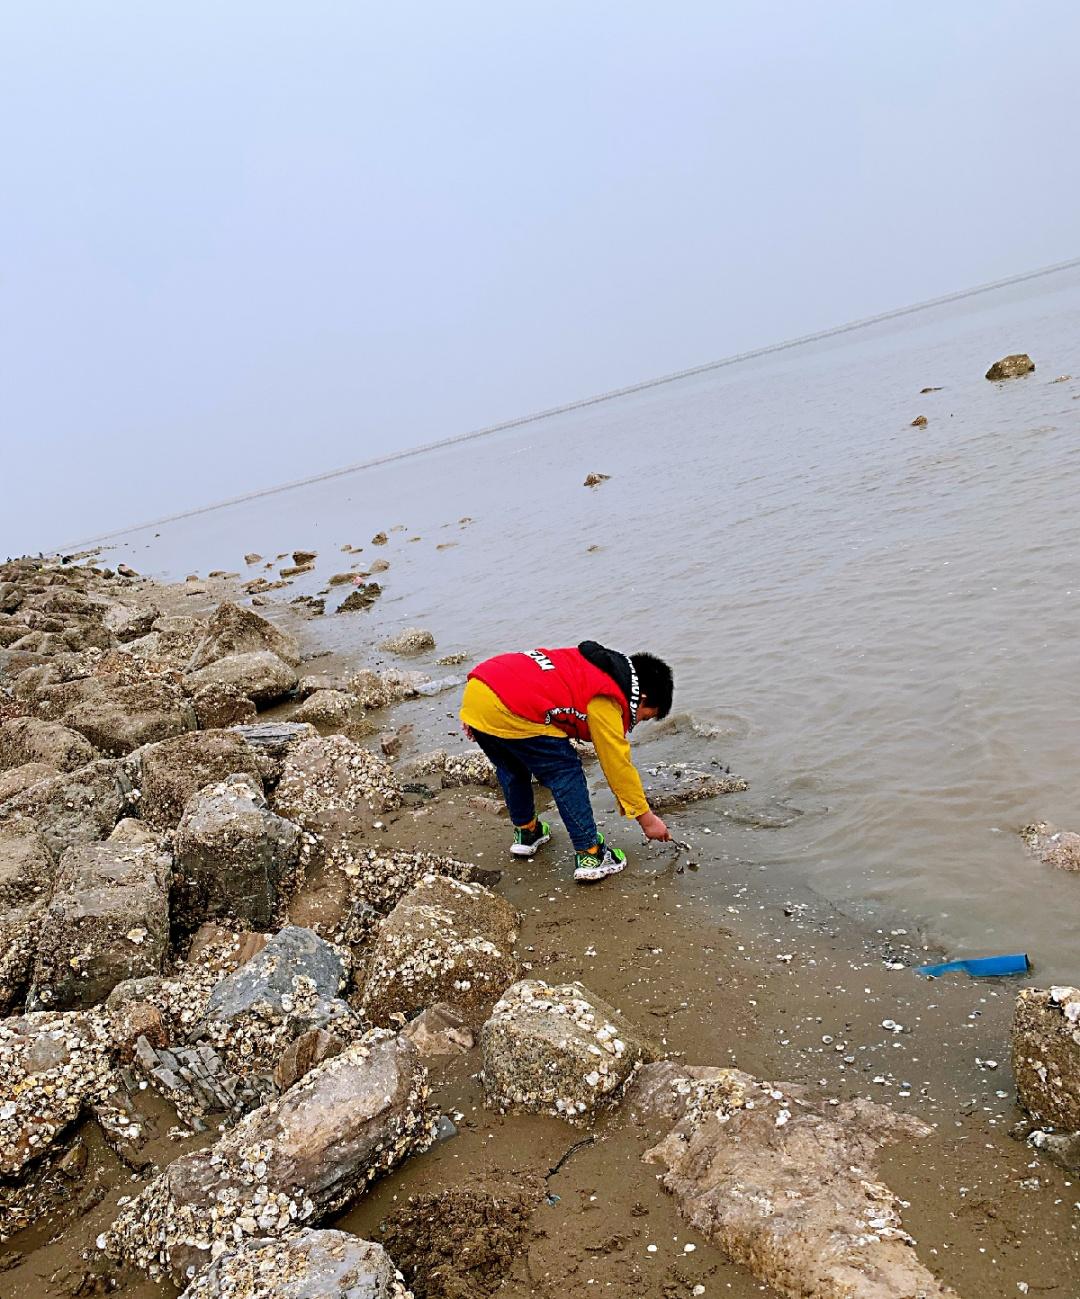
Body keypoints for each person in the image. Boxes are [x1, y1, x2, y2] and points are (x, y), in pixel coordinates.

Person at [460, 641, 674, 883]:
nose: (634, 725)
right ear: (642, 698)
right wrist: (647, 819)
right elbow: (618, 765)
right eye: (644, 717)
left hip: (479, 694)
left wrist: (473, 714)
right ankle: (590, 854)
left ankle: (528, 832)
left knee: (511, 766)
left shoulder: (598, 664)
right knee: (565, 770)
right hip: (514, 706)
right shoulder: (608, 696)